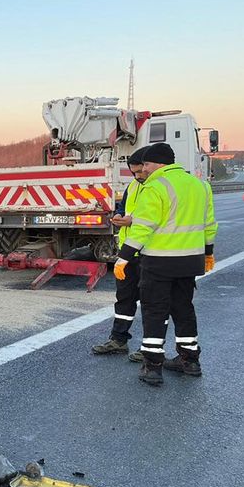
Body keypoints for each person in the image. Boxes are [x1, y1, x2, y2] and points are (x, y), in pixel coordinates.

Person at [113, 142, 217, 386]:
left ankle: (152, 366)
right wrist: (208, 253)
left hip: (159, 262)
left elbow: (143, 228)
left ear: (158, 163)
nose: (143, 169)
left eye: (146, 164)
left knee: (155, 311)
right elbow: (209, 224)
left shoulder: (155, 186)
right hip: (190, 261)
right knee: (184, 309)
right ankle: (190, 361)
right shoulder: (201, 186)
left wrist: (124, 257)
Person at [92, 152, 148, 361]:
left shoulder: (159, 187)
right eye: (134, 172)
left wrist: (132, 221)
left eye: (141, 171)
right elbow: (124, 207)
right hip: (128, 252)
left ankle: (150, 348)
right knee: (124, 298)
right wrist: (118, 214)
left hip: (152, 253)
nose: (138, 176)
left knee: (153, 303)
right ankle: (118, 339)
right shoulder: (133, 186)